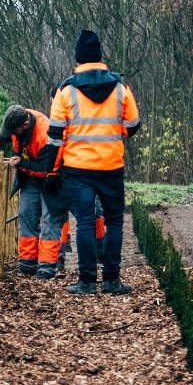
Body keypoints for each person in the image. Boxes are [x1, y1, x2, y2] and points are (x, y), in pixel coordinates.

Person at [42, 30, 140, 296]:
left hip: (78, 168)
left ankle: (86, 282)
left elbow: (55, 136)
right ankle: (111, 280)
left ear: (77, 58)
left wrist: (50, 171)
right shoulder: (121, 87)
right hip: (111, 165)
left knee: (85, 223)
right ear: (100, 55)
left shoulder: (65, 91)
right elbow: (132, 125)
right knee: (115, 222)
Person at [0, 106, 104, 279]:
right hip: (30, 177)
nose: (12, 134)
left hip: (53, 178)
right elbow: (9, 134)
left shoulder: (46, 136)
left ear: (25, 124)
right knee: (25, 212)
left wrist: (21, 163)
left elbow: (45, 168)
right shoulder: (19, 117)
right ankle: (28, 262)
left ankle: (48, 266)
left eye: (14, 131)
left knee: (50, 218)